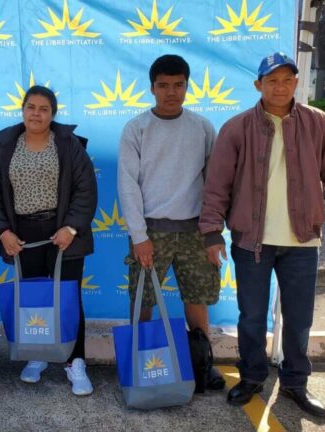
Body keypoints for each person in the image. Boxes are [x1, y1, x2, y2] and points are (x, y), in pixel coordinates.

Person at [199, 52, 325, 418]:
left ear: (296, 83)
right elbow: (216, 186)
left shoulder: (317, 123)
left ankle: (295, 383)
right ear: (258, 85)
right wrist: (211, 232)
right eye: (272, 80)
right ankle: (252, 376)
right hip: (251, 242)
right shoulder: (237, 128)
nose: (280, 87)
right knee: (252, 317)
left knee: (299, 319)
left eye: (287, 80)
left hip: (302, 241)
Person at [117, 54, 225, 391]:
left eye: (178, 85)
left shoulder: (202, 128)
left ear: (187, 86)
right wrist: (139, 236)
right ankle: (141, 363)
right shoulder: (137, 129)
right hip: (151, 232)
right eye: (163, 85)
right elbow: (127, 184)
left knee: (197, 297)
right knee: (143, 300)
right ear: (152, 88)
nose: (171, 92)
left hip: (194, 230)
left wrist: (213, 231)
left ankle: (203, 363)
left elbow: (215, 183)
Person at [0, 85, 98, 396]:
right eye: (31, 107)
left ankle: (75, 361)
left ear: (53, 114)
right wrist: (3, 232)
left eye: (44, 109)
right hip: (23, 235)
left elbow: (85, 189)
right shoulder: (6, 146)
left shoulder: (69, 144)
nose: (36, 113)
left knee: (68, 298)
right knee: (33, 299)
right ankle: (37, 355)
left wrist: (71, 228)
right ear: (22, 110)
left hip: (64, 233)